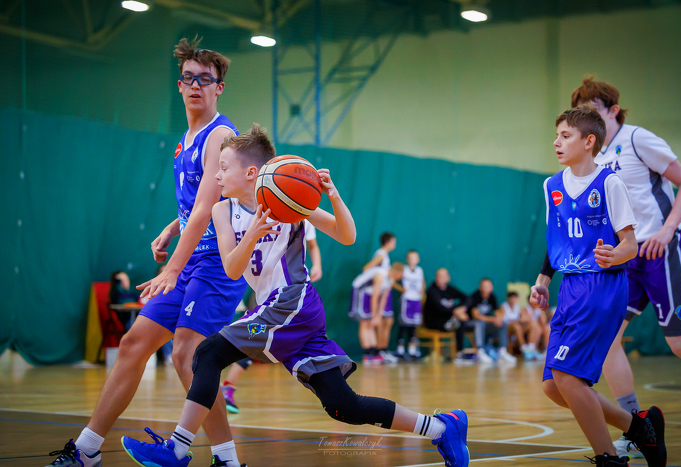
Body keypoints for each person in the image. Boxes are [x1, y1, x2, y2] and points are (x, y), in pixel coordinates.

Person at [120, 124, 470, 467]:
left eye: (224, 168)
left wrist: (334, 197)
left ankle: (178, 450)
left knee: (208, 353)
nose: (216, 175)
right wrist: (252, 233)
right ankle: (442, 427)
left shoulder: (287, 198)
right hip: (279, 312)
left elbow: (346, 235)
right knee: (343, 406)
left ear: (251, 172)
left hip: (293, 301)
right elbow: (231, 268)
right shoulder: (221, 210)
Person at [46, 38, 248, 467]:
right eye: (188, 78)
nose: (196, 85)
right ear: (179, 86)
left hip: (216, 263)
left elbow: (207, 210)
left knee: (188, 355)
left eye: (205, 79)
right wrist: (172, 228)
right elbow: (197, 204)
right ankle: (87, 450)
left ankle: (227, 460)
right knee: (134, 342)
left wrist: (172, 267)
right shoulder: (186, 139)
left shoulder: (220, 135)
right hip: (192, 259)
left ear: (219, 88)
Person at [530, 105, 666, 467]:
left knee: (567, 376)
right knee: (553, 386)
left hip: (602, 285)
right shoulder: (551, 185)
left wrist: (613, 255)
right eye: (556, 135)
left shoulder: (609, 183)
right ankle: (638, 427)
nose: (556, 142)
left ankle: (610, 458)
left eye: (565, 136)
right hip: (570, 287)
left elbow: (630, 245)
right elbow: (557, 240)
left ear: (589, 141)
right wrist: (543, 281)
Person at [571, 77, 681, 458]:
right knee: (608, 341)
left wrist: (668, 228)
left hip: (659, 247)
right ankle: (639, 428)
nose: (587, 115)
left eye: (593, 108)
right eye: (581, 111)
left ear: (612, 110)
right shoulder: (594, 157)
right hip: (625, 256)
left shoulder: (638, 139)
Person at [221, 219, 323, 413]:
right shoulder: (256, 213)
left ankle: (334, 393)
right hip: (264, 292)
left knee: (259, 342)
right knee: (251, 340)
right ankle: (224, 386)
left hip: (290, 296)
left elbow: (313, 244)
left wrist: (317, 265)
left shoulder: (303, 216)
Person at [351, 262, 405, 365]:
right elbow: (375, 296)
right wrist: (374, 315)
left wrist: (378, 316)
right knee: (365, 323)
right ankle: (367, 355)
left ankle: (374, 353)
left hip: (370, 295)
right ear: (397, 272)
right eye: (401, 275)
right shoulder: (380, 275)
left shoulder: (390, 279)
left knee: (371, 324)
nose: (400, 278)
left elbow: (383, 298)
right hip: (360, 292)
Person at [423, 268, 478, 364]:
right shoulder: (432, 290)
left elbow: (468, 298)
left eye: (443, 276)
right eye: (438, 276)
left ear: (448, 278)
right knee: (459, 321)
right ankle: (459, 353)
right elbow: (440, 309)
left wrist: (463, 308)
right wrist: (456, 312)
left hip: (447, 320)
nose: (440, 278)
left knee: (461, 321)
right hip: (434, 322)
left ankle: (460, 353)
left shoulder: (450, 289)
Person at [362, 232, 398, 363]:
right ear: (388, 242)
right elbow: (366, 268)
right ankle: (379, 350)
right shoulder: (381, 254)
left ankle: (383, 350)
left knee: (387, 321)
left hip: (384, 291)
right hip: (377, 291)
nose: (395, 245)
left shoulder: (385, 255)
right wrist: (376, 280)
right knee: (380, 322)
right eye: (394, 242)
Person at [470, 278, 516, 364]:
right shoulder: (475, 296)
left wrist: (498, 319)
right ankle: (480, 351)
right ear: (480, 287)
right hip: (473, 323)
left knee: (503, 324)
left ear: (492, 287)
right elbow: (476, 316)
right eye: (484, 286)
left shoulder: (492, 297)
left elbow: (496, 312)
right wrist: (492, 319)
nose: (486, 288)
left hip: (487, 323)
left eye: (488, 286)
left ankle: (502, 351)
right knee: (480, 323)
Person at [394, 250, 425, 360]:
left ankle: (412, 351)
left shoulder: (419, 270)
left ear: (418, 259)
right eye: (410, 258)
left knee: (413, 325)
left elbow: (422, 282)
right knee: (403, 324)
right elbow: (392, 280)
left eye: (414, 257)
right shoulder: (404, 269)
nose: (412, 260)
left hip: (416, 300)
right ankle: (400, 350)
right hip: (406, 300)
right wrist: (401, 289)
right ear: (407, 259)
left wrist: (422, 292)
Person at [501, 291, 544, 361]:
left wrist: (520, 320)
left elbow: (526, 318)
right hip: (507, 328)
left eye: (515, 298)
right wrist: (517, 321)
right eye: (511, 298)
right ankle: (524, 348)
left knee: (534, 325)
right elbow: (502, 320)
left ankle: (531, 348)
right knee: (517, 326)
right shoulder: (504, 307)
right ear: (508, 299)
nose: (513, 300)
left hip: (518, 327)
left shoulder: (518, 307)